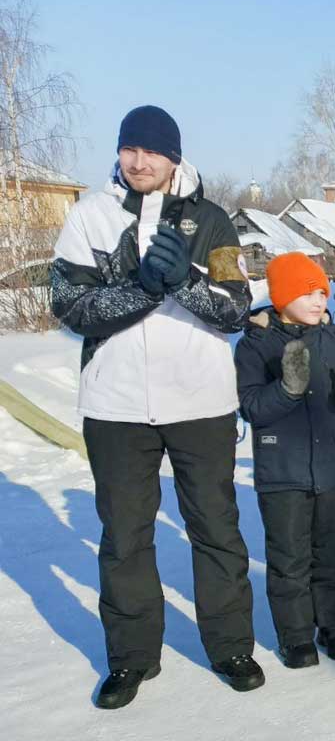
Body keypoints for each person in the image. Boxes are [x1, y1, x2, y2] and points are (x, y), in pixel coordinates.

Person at [50, 105, 263, 708]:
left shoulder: (212, 221)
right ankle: (132, 657)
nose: (139, 161)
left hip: (201, 401)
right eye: (129, 150)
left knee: (216, 529)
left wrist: (182, 282)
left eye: (152, 152)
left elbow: (234, 308)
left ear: (174, 157)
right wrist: (143, 286)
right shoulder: (90, 217)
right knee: (125, 535)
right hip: (115, 405)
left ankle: (230, 646)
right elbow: (70, 308)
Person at [235, 252, 335, 666]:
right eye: (307, 292)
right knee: (288, 557)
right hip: (283, 472)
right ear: (281, 296)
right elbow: (251, 407)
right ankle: (296, 637)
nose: (318, 300)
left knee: (334, 552)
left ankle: (333, 626)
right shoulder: (256, 345)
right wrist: (287, 389)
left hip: (333, 467)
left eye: (322, 293)